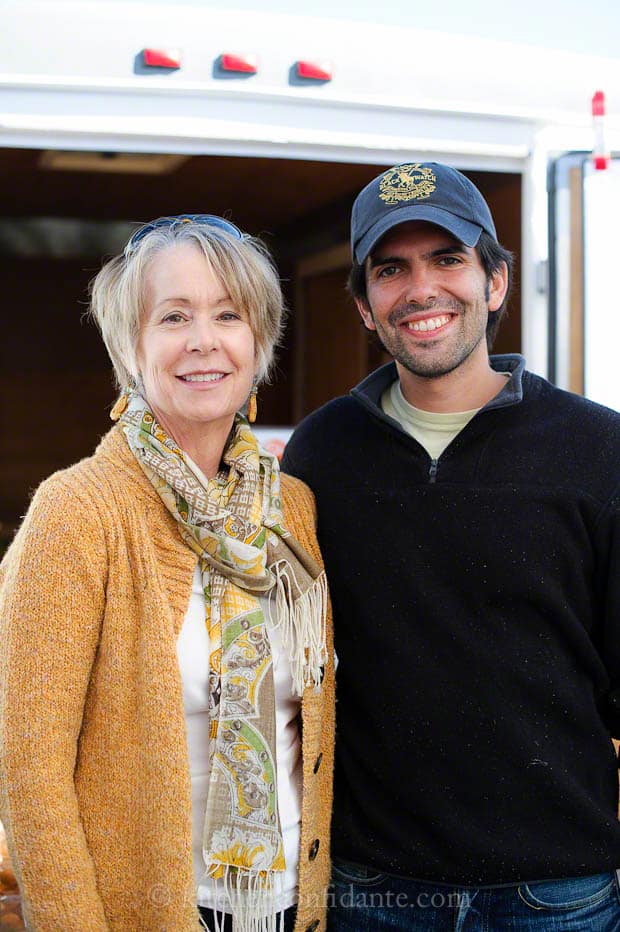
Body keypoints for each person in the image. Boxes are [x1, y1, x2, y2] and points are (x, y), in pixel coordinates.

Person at [282, 162, 620, 930]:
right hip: (374, 887)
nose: (420, 289)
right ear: (366, 307)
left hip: (557, 892)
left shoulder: (597, 448)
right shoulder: (322, 452)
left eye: (448, 259)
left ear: (495, 282)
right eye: (390, 269)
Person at [0, 214, 334, 932]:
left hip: (289, 903)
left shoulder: (292, 508)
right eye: (173, 316)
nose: (203, 340)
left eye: (228, 314)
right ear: (132, 344)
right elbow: (28, 771)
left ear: (259, 342)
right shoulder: (78, 512)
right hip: (148, 908)